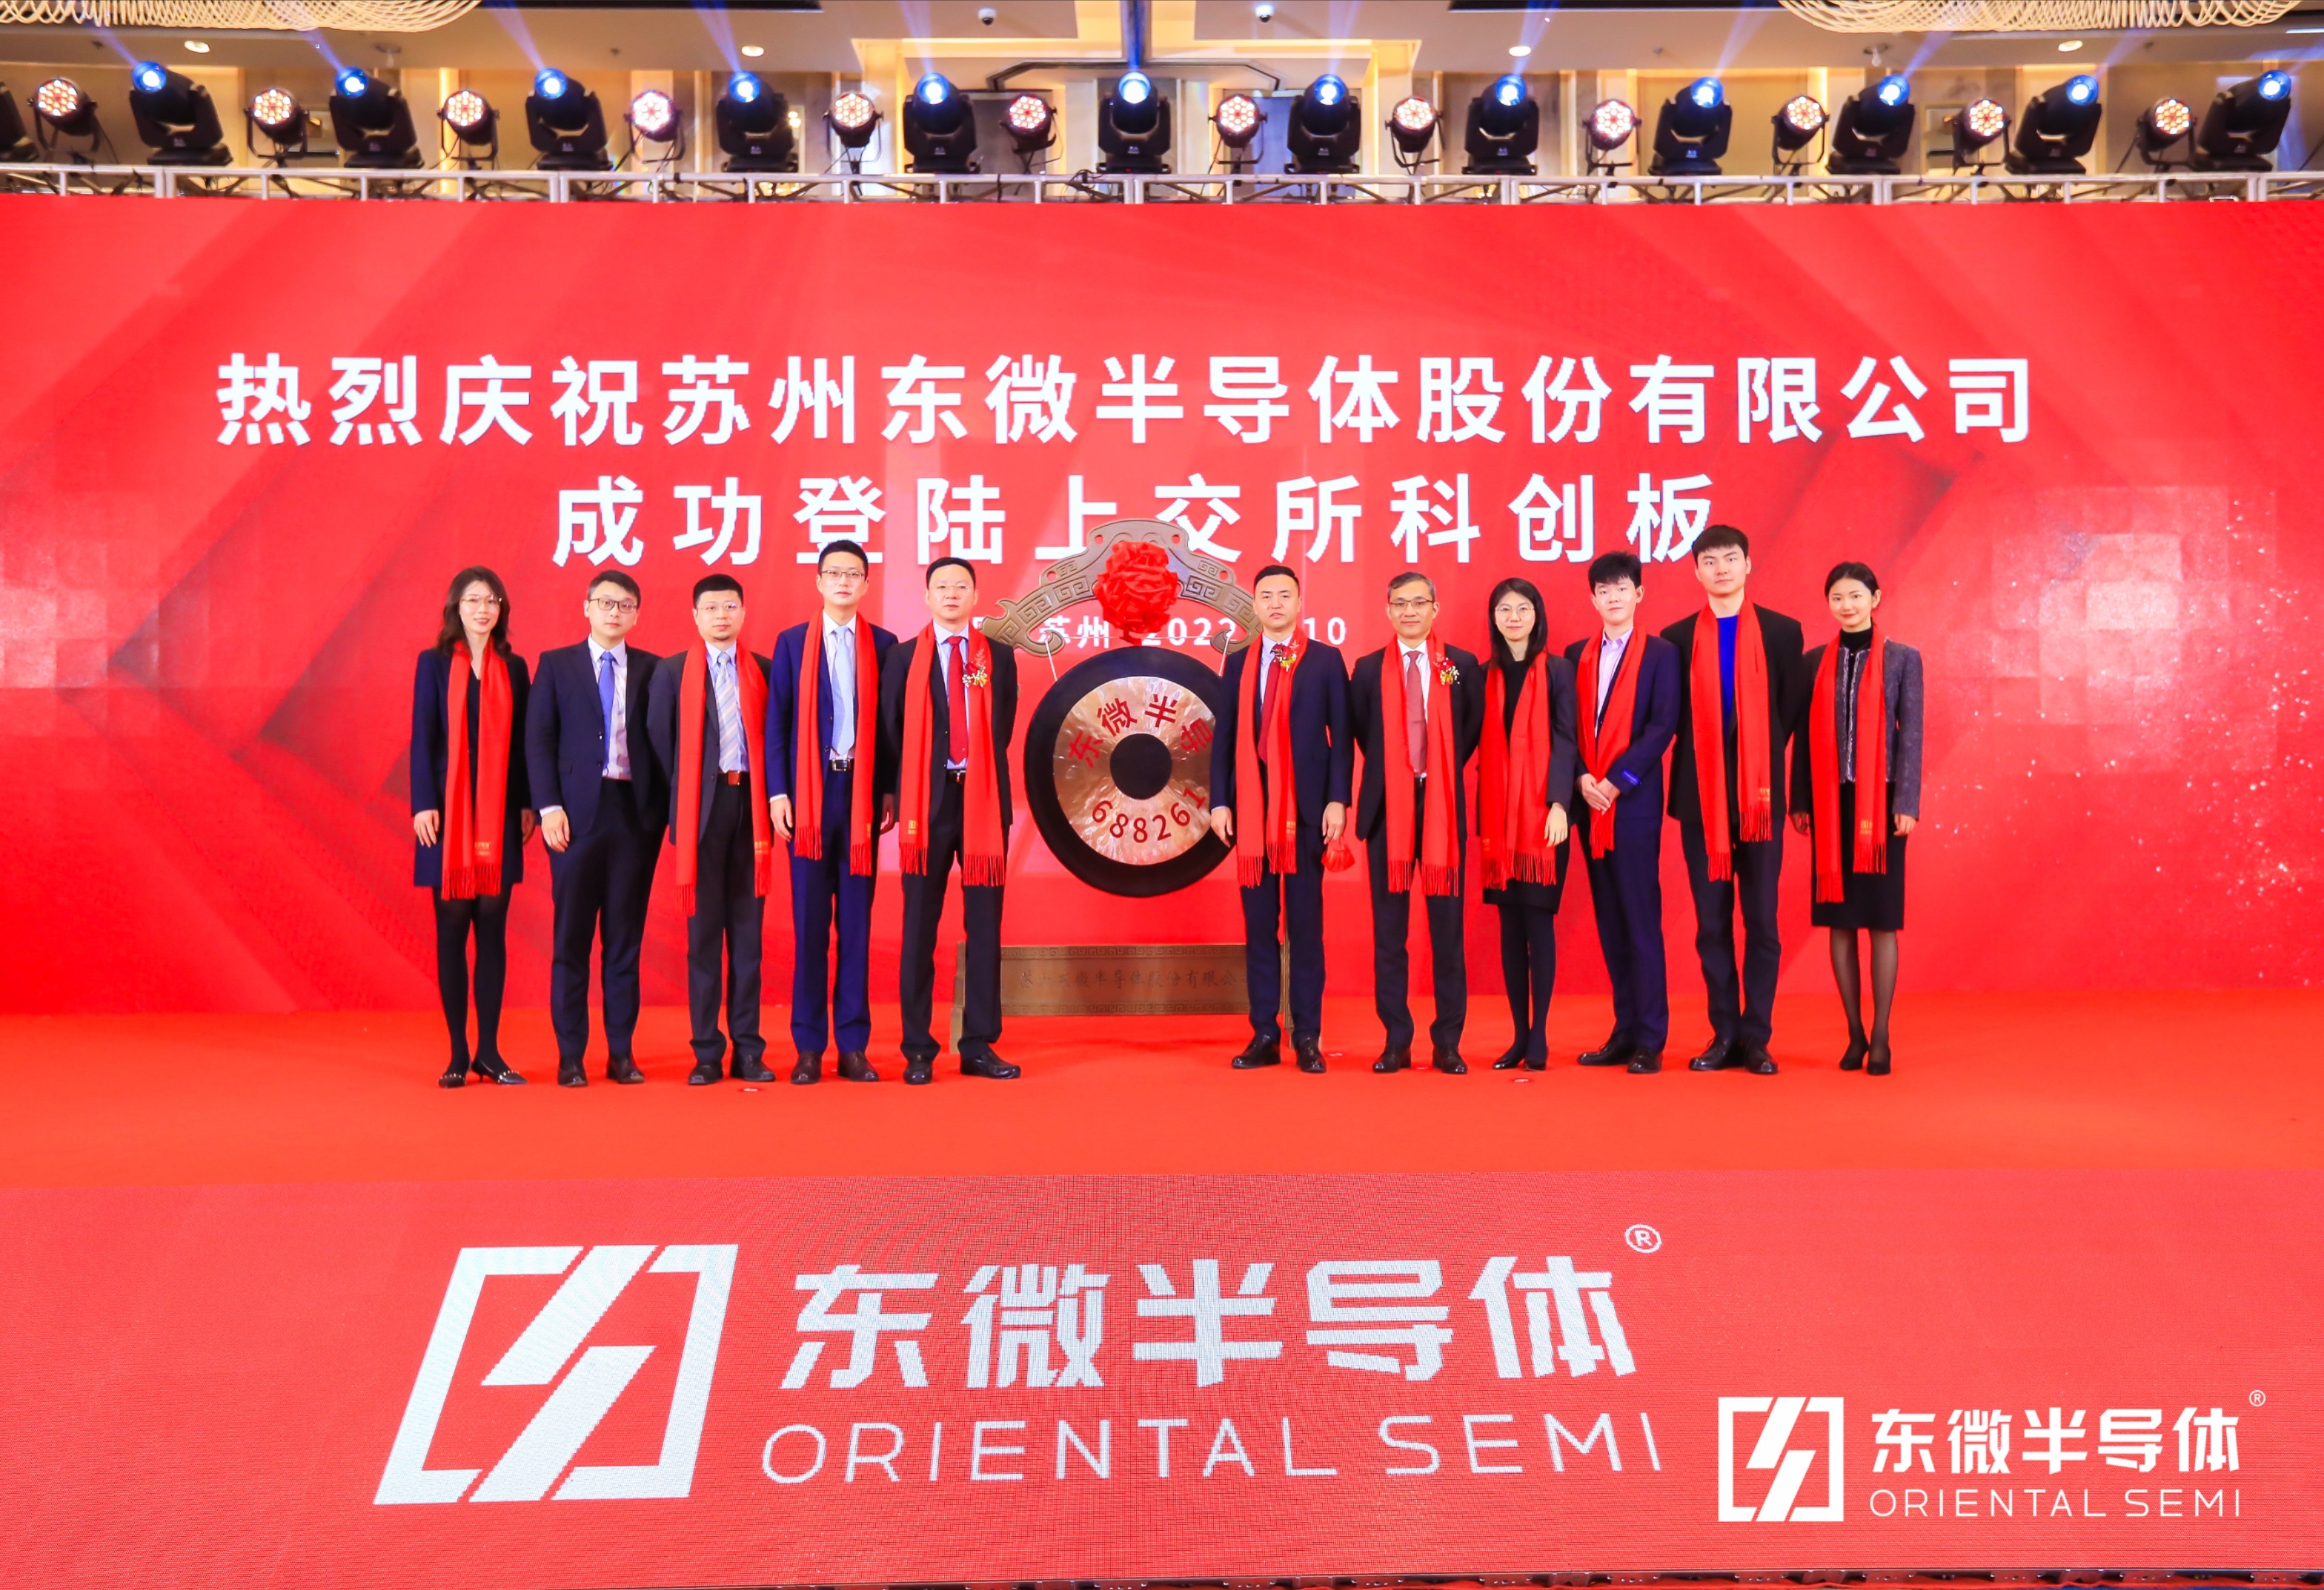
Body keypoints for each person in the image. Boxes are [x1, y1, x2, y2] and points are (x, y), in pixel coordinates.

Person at [1660, 526, 1805, 1076]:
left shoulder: (1783, 632)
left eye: (1730, 558)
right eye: (1710, 560)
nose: (1721, 569)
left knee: (1762, 920)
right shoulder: (1676, 638)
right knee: (1712, 924)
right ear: (1696, 570)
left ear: (1748, 564)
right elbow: (1673, 717)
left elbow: (1788, 710)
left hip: (1759, 798)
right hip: (1702, 800)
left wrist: (1755, 764)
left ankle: (1757, 1037)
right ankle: (1724, 1033)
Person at [880, 556, 1021, 1085]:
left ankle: (979, 1044)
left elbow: (1002, 725)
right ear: (927, 597)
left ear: (975, 595)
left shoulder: (998, 656)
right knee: (918, 927)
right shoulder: (901, 658)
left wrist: (975, 771)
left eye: (961, 586)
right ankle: (918, 1049)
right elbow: (891, 728)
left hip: (982, 803)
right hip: (926, 805)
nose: (952, 594)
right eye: (942, 586)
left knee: (985, 927)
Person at [1208, 563, 1353, 1074]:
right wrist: (1219, 801)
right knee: (1259, 928)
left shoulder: (1325, 660)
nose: (1275, 603)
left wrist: (1338, 800)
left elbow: (1342, 738)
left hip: (1308, 813)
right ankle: (1265, 1033)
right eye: (1266, 595)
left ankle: (1307, 1034)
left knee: (1306, 928)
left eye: (1284, 595)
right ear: (1254, 604)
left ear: (1299, 602)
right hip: (1251, 813)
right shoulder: (1239, 663)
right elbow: (1224, 738)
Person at [526, 569, 663, 1087]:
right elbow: (539, 740)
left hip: (633, 815)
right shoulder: (556, 665)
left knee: (624, 942)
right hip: (574, 816)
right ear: (587, 607)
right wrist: (548, 806)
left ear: (636, 614)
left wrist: (659, 814)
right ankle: (571, 1055)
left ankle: (621, 1053)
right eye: (605, 602)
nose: (614, 611)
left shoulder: (653, 669)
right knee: (572, 940)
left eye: (625, 604)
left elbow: (665, 743)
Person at [768, 540, 898, 1085]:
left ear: (866, 584)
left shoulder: (884, 645)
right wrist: (778, 793)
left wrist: (889, 790)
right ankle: (807, 1046)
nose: (843, 582)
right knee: (809, 928)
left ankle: (853, 1046)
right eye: (834, 573)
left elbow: (891, 727)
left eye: (853, 574)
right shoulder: (793, 643)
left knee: (857, 927)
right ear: (819, 581)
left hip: (861, 795)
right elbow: (777, 722)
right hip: (810, 797)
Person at [1348, 571, 1485, 1075]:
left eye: (1419, 602)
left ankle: (1448, 1042)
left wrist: (1437, 773)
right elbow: (1363, 732)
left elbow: (1471, 728)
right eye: (1401, 604)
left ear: (1435, 609)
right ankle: (1396, 1039)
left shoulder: (1460, 665)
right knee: (1390, 934)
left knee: (1447, 933)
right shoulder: (1366, 670)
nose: (1410, 611)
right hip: (1389, 809)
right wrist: (1400, 775)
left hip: (1442, 807)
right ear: (1388, 611)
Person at [1791, 562, 1922, 1077]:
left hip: (1881, 805)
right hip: (1831, 804)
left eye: (1855, 596)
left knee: (1882, 921)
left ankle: (1882, 1035)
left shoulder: (1902, 659)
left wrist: (1906, 802)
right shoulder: (1813, 663)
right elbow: (1804, 736)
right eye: (1837, 598)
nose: (1847, 606)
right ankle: (1854, 1033)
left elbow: (1911, 735)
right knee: (1840, 922)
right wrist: (1799, 800)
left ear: (1876, 597)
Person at [646, 574, 777, 1088]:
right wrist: (690, 793)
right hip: (701, 811)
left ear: (743, 612)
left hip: (751, 809)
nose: (721, 615)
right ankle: (706, 1052)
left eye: (730, 606)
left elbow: (776, 740)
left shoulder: (764, 670)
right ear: (695, 616)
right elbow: (660, 742)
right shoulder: (672, 672)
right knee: (703, 940)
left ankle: (749, 1050)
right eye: (711, 607)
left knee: (747, 940)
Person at [410, 566, 534, 1089]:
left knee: (493, 929)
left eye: (492, 601)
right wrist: (422, 803)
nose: (483, 609)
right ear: (455, 608)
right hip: (447, 815)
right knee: (452, 929)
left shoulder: (515, 667)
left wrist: (528, 804)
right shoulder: (434, 663)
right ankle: (458, 1052)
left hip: (500, 812)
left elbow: (525, 743)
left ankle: (490, 1050)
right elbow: (422, 736)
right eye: (473, 600)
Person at [1564, 552, 1683, 1075]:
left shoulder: (1661, 653)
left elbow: (1662, 725)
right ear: (1592, 598)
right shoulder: (1577, 654)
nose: (1612, 597)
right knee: (1610, 922)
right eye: (1603, 590)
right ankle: (1624, 1030)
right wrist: (1581, 778)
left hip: (1631, 804)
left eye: (1621, 588)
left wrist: (1616, 781)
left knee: (1640, 920)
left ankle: (1651, 1038)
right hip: (1590, 801)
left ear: (1639, 593)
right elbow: (1567, 725)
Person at [1477, 577, 1578, 1072]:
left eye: (1523, 608)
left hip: (1543, 821)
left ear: (1537, 615)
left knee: (1539, 925)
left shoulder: (1559, 671)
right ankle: (1518, 1034)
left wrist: (1560, 803)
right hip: (1498, 821)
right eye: (1504, 609)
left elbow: (1567, 739)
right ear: (1494, 618)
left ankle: (1540, 1035)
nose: (1513, 617)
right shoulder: (1483, 675)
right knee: (1510, 929)